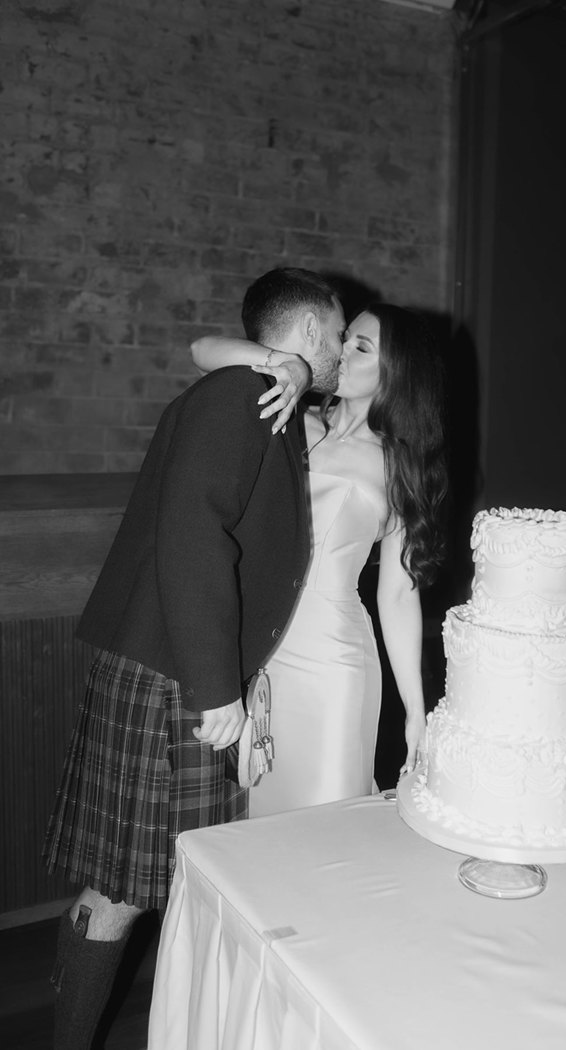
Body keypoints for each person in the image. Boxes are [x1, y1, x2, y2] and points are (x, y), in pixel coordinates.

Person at [42, 267, 346, 1050]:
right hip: (176, 671)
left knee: (154, 881)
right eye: (339, 336)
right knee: (120, 889)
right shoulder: (240, 394)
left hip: (173, 664)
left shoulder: (259, 391)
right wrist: (217, 687)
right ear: (310, 331)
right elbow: (192, 534)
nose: (342, 351)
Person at [191, 301, 449, 817]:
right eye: (344, 337)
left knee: (323, 821)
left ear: (395, 370)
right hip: (257, 647)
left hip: (334, 663)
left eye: (362, 346)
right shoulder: (288, 415)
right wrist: (284, 363)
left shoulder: (399, 465)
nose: (342, 351)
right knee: (257, 818)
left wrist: (416, 711)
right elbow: (201, 351)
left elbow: (398, 593)